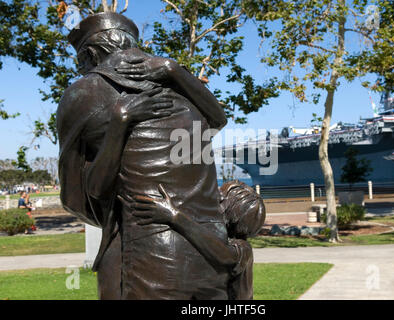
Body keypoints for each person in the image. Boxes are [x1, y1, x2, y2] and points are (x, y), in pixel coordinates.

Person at [57, 12, 228, 299]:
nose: (82, 71)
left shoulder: (83, 93)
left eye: (82, 63)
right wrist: (175, 70)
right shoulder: (182, 85)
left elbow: (76, 197)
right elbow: (219, 119)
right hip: (210, 251)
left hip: (146, 256)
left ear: (91, 53)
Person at [123, 180, 266, 299]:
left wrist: (174, 216)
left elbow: (223, 255)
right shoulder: (216, 238)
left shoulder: (243, 249)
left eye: (221, 198)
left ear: (235, 213)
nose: (217, 200)